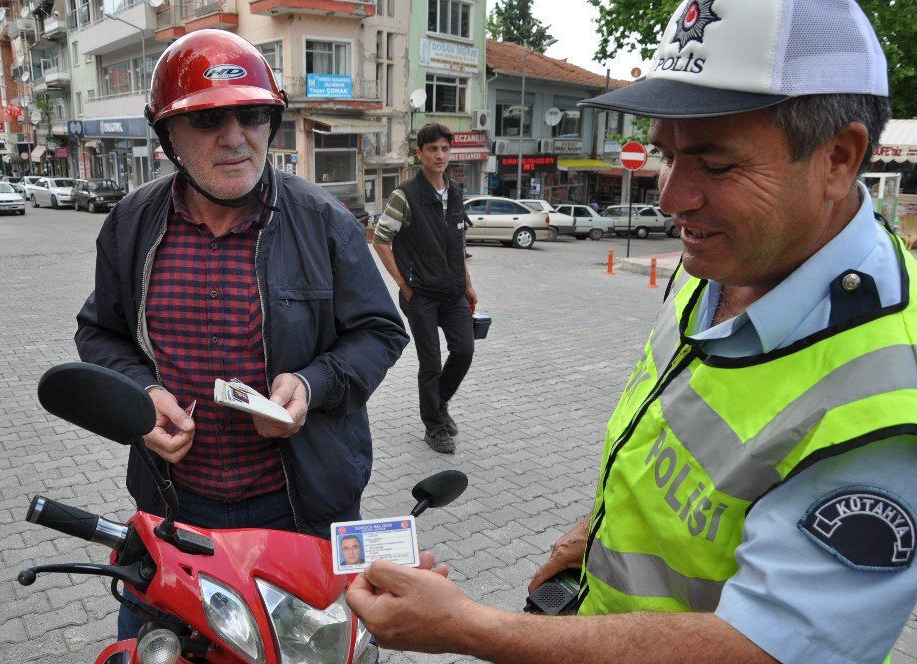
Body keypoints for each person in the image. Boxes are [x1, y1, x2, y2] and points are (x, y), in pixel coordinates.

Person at [346, 0, 917, 661]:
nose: (671, 197)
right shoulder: (735, 253)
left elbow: (768, 647)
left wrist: (468, 628)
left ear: (839, 159)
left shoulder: (885, 398)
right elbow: (676, 438)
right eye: (668, 153)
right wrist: (593, 532)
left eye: (716, 163)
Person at [74, 29, 408, 639]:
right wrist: (140, 396)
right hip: (174, 507)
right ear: (167, 136)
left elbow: (381, 331)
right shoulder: (130, 225)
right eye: (206, 120)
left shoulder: (325, 221)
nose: (235, 137)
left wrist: (313, 385)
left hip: (301, 509)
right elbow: (100, 333)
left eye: (252, 114)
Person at [372, 123, 477, 454]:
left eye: (445, 149)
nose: (440, 155)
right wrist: (404, 284)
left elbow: (458, 244)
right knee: (430, 362)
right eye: (433, 149)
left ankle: (440, 403)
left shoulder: (456, 193)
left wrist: (469, 286)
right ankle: (434, 427)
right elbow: (380, 240)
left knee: (464, 350)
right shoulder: (405, 196)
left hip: (454, 291)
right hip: (421, 295)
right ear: (420, 154)